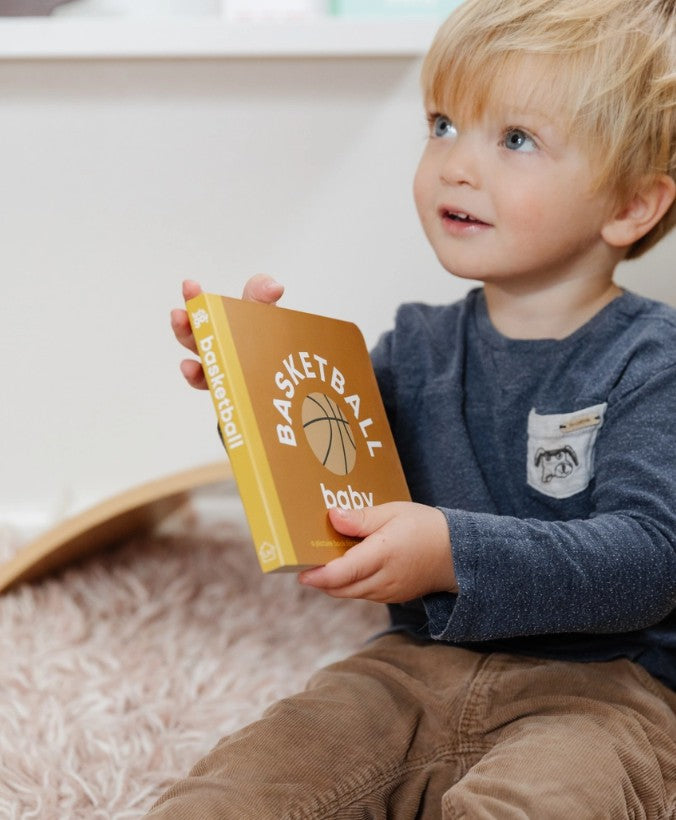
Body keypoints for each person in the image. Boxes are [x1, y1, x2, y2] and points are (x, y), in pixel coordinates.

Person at [149, 0, 676, 816]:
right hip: (410, 664)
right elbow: (331, 478)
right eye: (441, 125)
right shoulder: (414, 347)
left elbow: (650, 560)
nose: (456, 165)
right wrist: (247, 393)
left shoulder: (653, 359)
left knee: (554, 800)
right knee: (236, 788)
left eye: (515, 139)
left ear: (631, 206)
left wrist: (450, 552)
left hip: (603, 691)